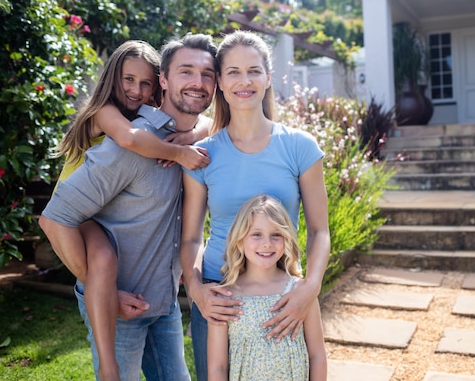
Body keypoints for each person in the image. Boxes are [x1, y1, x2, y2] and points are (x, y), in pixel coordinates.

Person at [39, 33, 218, 381]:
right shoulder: (130, 144)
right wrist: (104, 292)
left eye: (207, 74)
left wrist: (192, 138)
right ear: (164, 81)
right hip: (119, 307)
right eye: (186, 72)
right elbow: (54, 219)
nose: (198, 82)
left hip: (163, 301)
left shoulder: (201, 142)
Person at [180, 30, 331, 381]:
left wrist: (309, 287)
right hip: (220, 294)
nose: (244, 81)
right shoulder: (204, 154)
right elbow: (190, 239)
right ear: (219, 81)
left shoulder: (300, 147)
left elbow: (320, 230)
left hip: (282, 292)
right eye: (233, 72)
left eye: (253, 71)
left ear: (268, 78)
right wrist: (197, 290)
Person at [207, 194, 327, 381]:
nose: (266, 243)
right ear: (239, 239)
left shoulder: (300, 292)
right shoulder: (225, 297)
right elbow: (217, 367)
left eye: (276, 235)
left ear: (286, 238)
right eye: (256, 234)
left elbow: (317, 356)